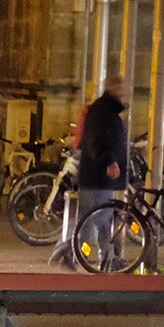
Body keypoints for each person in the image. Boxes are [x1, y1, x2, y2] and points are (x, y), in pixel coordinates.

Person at [57, 75, 129, 267]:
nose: (127, 92)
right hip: (98, 175)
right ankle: (68, 252)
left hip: (99, 175)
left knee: (98, 219)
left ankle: (107, 258)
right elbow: (96, 141)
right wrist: (109, 162)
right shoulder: (103, 111)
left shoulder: (106, 109)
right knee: (94, 218)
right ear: (115, 89)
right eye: (123, 88)